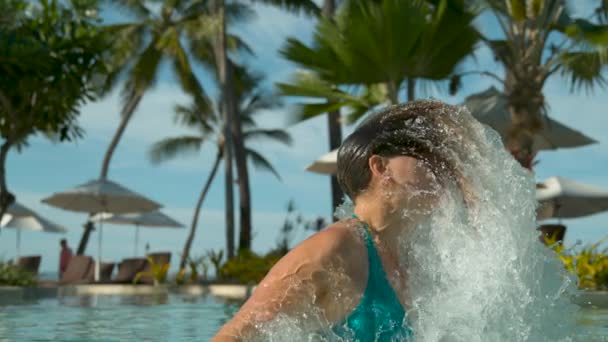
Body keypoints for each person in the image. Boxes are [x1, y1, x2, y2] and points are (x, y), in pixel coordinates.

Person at [212, 100, 472, 341]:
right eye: (423, 156)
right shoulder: (337, 248)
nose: (437, 167)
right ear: (380, 167)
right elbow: (232, 336)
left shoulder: (411, 258)